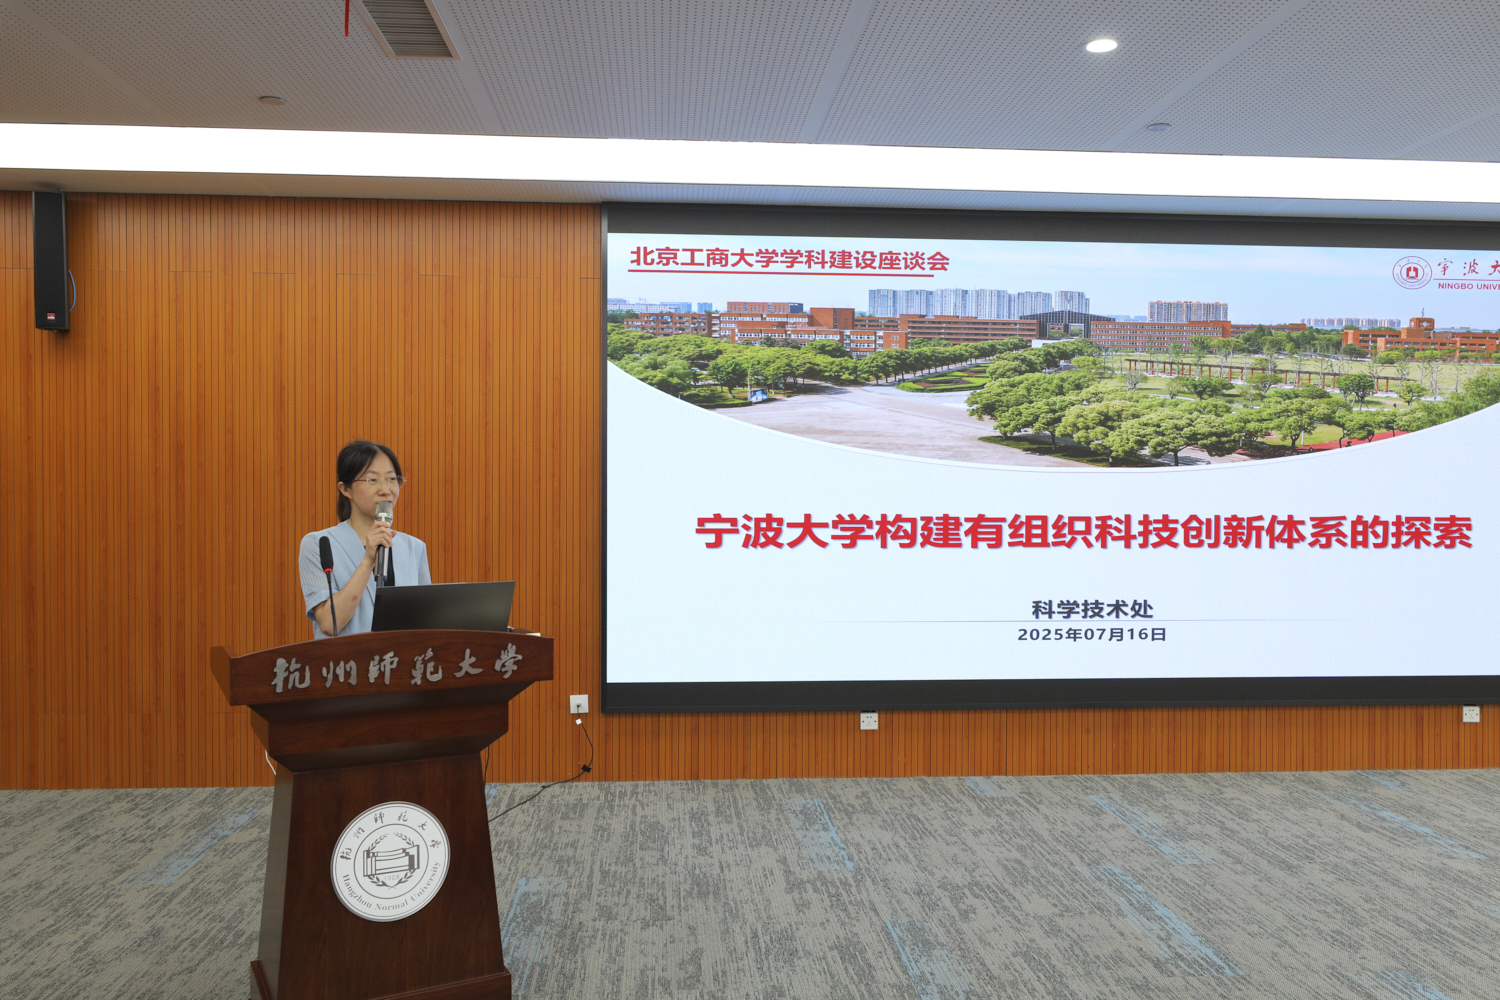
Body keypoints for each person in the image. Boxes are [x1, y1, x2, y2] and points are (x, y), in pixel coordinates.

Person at [299, 440, 431, 638]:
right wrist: (368, 560)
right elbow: (329, 623)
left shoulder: (414, 547)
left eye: (392, 479)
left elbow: (425, 622)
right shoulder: (320, 544)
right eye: (372, 480)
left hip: (401, 656)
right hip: (348, 657)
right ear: (345, 489)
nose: (385, 489)